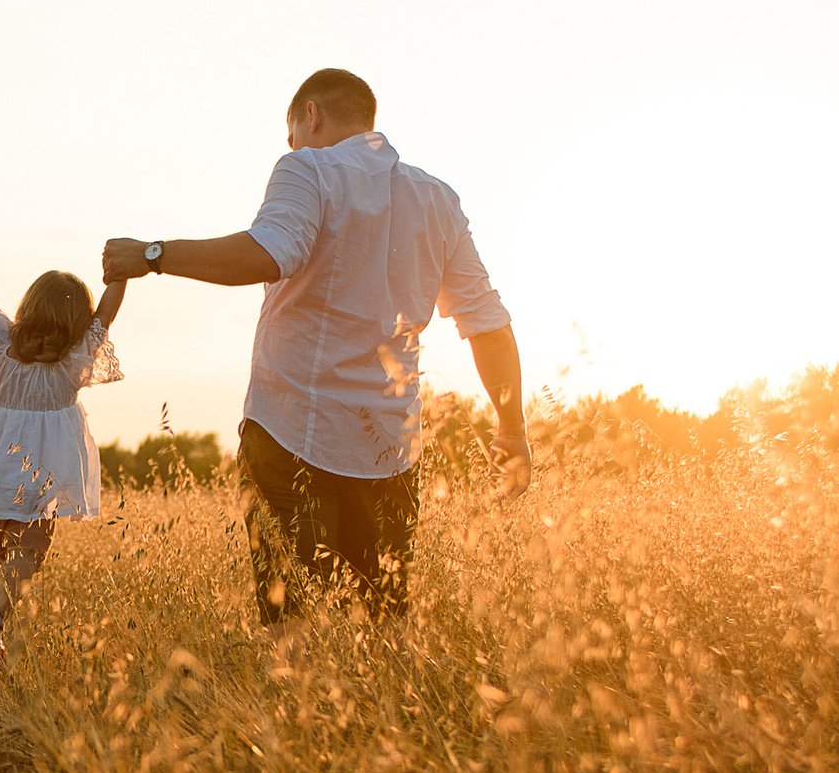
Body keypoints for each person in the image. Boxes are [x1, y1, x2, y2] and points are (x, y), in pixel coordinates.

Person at [103, 68, 529, 627]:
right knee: (382, 628)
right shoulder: (438, 200)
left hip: (290, 436)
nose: (292, 146)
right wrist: (513, 431)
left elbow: (268, 253)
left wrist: (152, 255)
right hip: (389, 450)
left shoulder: (307, 167)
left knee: (293, 630)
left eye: (292, 135)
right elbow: (487, 322)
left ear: (312, 116)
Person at [0, 252, 126, 671]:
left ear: (28, 306)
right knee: (26, 558)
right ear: (78, 323)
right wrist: (122, 274)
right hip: (37, 487)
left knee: (2, 557)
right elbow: (107, 316)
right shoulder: (73, 362)